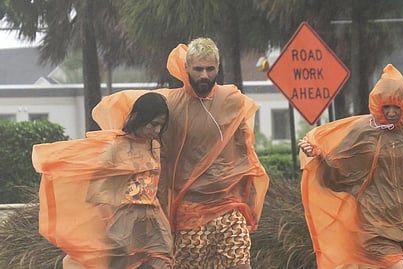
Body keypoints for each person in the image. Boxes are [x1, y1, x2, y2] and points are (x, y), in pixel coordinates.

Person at [92, 37, 270, 269]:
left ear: (218, 67)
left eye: (210, 68)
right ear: (186, 69)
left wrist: (250, 202)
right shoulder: (171, 104)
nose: (204, 75)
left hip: (229, 210)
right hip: (188, 214)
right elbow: (142, 126)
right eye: (198, 69)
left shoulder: (233, 101)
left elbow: (246, 154)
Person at [297, 64, 403, 269]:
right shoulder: (363, 131)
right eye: (385, 106)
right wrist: (318, 156)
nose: (390, 112)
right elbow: (340, 170)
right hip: (374, 224)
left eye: (396, 107)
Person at [32, 92, 174, 269]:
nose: (158, 130)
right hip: (123, 219)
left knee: (161, 261)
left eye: (161, 125)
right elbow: (96, 190)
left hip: (152, 219)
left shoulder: (154, 146)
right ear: (138, 117)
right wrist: (109, 222)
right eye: (154, 124)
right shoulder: (115, 147)